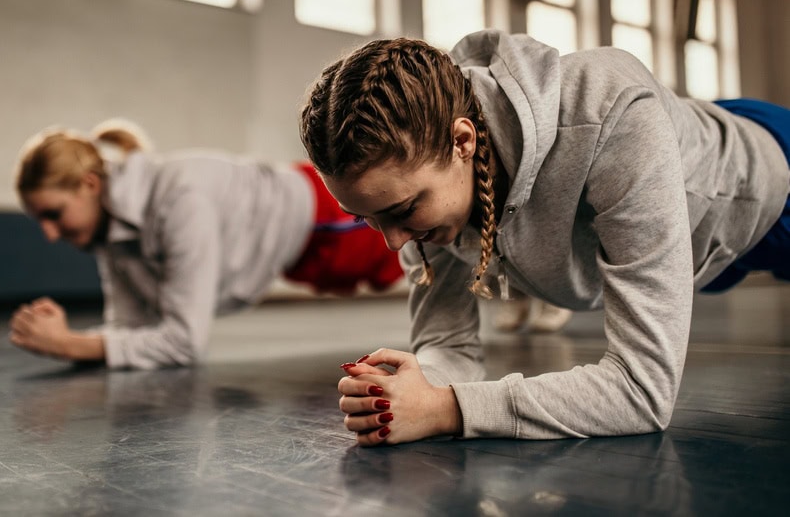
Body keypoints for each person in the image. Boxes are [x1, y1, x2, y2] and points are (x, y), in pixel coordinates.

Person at [299, 29, 789, 446]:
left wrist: (448, 410)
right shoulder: (424, 176)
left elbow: (643, 393)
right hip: (696, 221)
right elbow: (449, 346)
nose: (393, 242)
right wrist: (409, 388)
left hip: (767, 185)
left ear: (463, 141)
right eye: (365, 217)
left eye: (403, 211)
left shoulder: (614, 116)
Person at [9, 119, 403, 369]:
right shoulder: (108, 233)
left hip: (326, 219)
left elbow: (183, 342)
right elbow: (130, 330)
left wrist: (72, 345)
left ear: (89, 185)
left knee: (433, 244)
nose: (50, 233)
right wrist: (69, 340)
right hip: (297, 253)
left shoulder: (179, 199)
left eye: (54, 214)